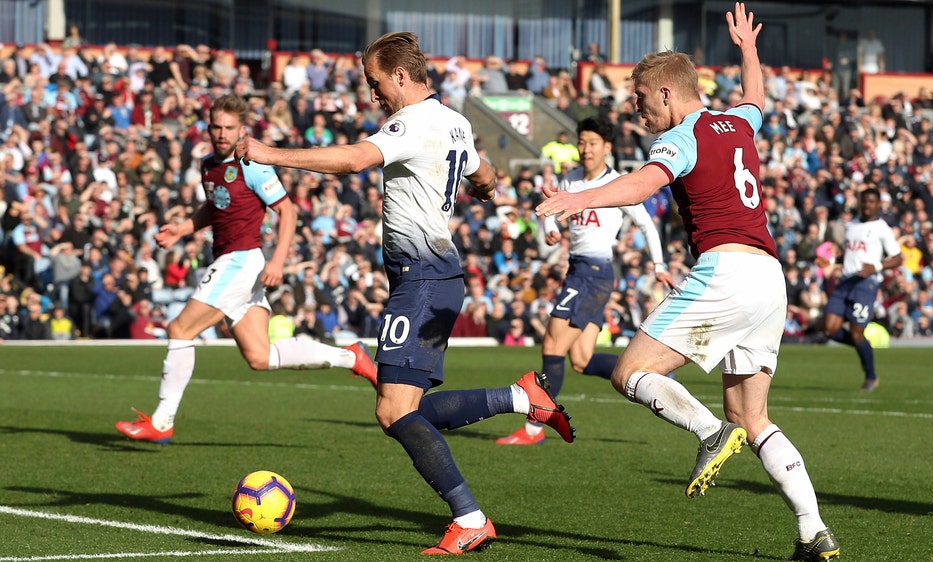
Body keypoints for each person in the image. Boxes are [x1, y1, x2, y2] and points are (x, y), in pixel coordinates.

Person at [235, 32, 575, 555]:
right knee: (406, 410)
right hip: (434, 277)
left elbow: (354, 160)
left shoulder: (412, 122)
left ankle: (470, 517)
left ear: (400, 76)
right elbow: (482, 171)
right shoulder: (454, 119)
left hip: (422, 278)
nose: (373, 96)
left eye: (375, 83)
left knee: (393, 412)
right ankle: (520, 396)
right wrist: (485, 183)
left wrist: (267, 153)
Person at [535, 5, 840, 561]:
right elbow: (756, 97)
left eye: (642, 99)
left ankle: (706, 433)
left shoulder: (683, 136)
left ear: (669, 95)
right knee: (753, 417)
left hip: (727, 269)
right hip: (771, 278)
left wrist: (577, 197)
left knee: (630, 372)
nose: (637, 109)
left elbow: (639, 187)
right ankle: (812, 530)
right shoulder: (737, 123)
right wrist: (748, 47)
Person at [114, 94, 378, 445]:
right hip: (231, 260)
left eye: (229, 128)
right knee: (260, 356)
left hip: (241, 260)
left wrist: (278, 260)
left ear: (241, 129)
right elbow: (215, 206)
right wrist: (183, 228)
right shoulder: (208, 164)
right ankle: (351, 357)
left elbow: (288, 211)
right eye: (217, 127)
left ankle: (162, 421)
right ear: (208, 128)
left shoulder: (251, 165)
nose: (222, 134)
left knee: (180, 328)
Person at [496, 116, 670, 445]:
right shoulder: (570, 180)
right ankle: (651, 373)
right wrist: (549, 230)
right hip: (580, 269)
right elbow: (549, 215)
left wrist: (658, 264)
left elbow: (647, 225)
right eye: (581, 142)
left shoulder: (619, 182)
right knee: (581, 359)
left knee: (552, 346)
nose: (585, 149)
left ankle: (535, 428)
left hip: (594, 272)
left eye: (592, 143)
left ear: (606, 147)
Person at [822, 188, 902, 392]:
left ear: (878, 204)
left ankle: (871, 375)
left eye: (871, 202)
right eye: (864, 201)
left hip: (866, 284)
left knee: (857, 332)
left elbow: (899, 258)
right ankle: (863, 346)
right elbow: (849, 255)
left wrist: (875, 267)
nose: (867, 205)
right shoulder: (851, 226)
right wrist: (831, 261)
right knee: (829, 328)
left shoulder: (882, 228)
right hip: (846, 280)